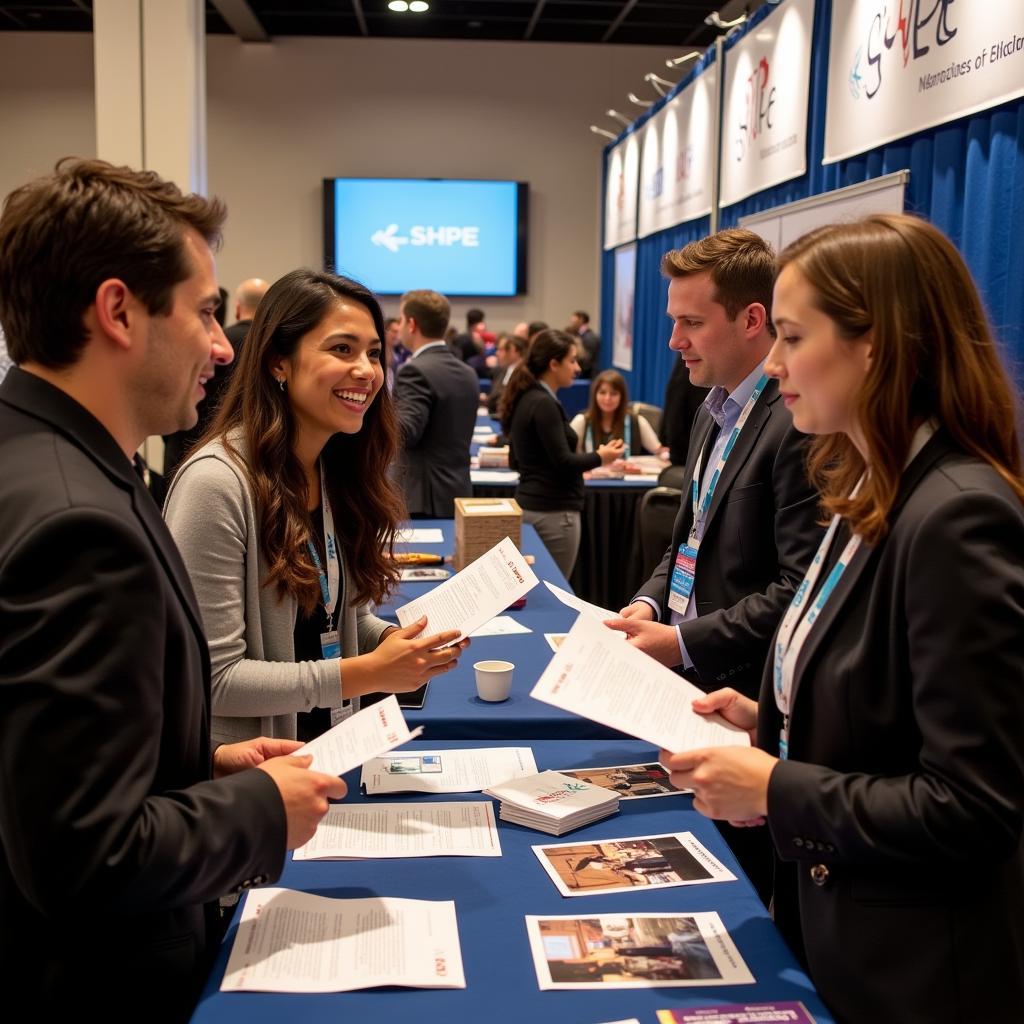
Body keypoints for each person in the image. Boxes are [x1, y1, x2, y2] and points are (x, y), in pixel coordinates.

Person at [0, 158, 343, 1022]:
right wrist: (257, 807)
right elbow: (85, 855)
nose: (223, 346)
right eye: (205, 313)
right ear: (118, 312)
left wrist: (202, 763)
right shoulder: (80, 524)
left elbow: (45, 765)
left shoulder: (46, 459)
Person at [663, 214, 1024, 1023]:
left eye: (793, 337)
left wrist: (781, 785)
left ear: (877, 344)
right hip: (836, 934)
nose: (777, 364)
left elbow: (973, 807)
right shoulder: (867, 487)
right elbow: (888, 718)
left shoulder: (957, 516)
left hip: (920, 974)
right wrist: (773, 724)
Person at [606, 228, 822, 902]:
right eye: (673, 322)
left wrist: (681, 640)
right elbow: (686, 540)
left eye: (691, 323)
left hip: (745, 702)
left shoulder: (795, 424)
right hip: (688, 694)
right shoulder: (711, 413)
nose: (675, 342)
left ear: (753, 320)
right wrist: (648, 604)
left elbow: (798, 588)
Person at [164, 269, 467, 744]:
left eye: (373, 353)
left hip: (329, 756)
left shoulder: (331, 470)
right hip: (252, 783)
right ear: (278, 363)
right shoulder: (216, 485)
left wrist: (389, 643)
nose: (366, 371)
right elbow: (213, 679)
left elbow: (335, 614)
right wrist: (364, 674)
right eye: (341, 349)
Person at [500, 329, 623, 576]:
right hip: (554, 515)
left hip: (531, 506)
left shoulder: (527, 397)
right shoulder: (543, 403)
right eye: (572, 360)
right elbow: (563, 461)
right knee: (555, 591)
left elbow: (516, 460)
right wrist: (602, 457)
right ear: (554, 364)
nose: (577, 368)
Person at [162, 276, 269, 478]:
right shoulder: (275, 352)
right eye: (206, 313)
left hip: (187, 450)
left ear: (237, 309)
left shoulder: (218, 343)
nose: (224, 352)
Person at [393, 289, 479, 518]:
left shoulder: (414, 371)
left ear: (411, 324)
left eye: (400, 320)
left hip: (422, 499)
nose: (399, 326)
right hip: (457, 493)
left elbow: (406, 432)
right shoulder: (468, 373)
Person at [569, 369, 664, 457]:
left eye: (613, 393)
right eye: (602, 392)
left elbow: (660, 451)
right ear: (594, 395)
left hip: (626, 474)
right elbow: (565, 455)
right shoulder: (581, 421)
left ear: (622, 397)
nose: (607, 398)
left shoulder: (637, 422)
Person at [484, 331, 526, 415]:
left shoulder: (523, 375)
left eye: (501, 350)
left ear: (513, 350)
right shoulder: (504, 370)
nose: (496, 353)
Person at [567, 309, 601, 377]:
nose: (571, 324)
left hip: (587, 377)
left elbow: (588, 362)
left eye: (573, 322)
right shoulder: (581, 336)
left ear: (581, 320)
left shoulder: (590, 338)